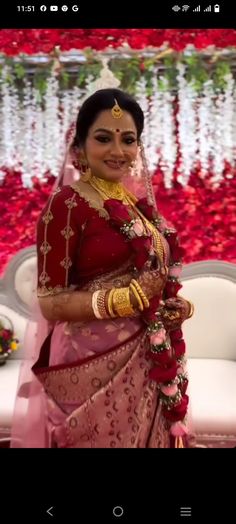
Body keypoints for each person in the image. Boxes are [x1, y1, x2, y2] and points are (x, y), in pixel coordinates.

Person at [13, 88, 195, 448]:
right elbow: (51, 302)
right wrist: (123, 300)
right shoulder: (66, 205)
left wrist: (175, 309)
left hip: (147, 358)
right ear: (79, 147)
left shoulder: (137, 206)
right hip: (91, 364)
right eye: (103, 138)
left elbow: (151, 279)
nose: (117, 150)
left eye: (128, 140)